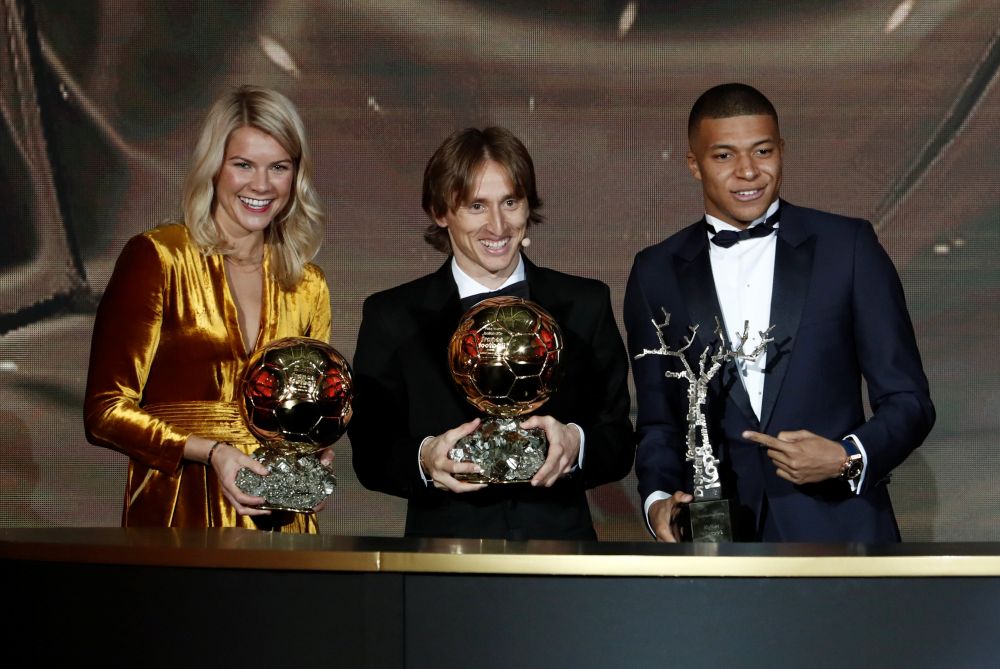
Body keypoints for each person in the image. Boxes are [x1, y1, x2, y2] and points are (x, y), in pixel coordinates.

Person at [624, 83, 935, 542]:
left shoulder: (847, 247)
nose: (748, 172)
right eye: (724, 156)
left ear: (781, 150)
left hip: (839, 530)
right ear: (694, 164)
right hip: (714, 542)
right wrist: (656, 504)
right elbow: (658, 421)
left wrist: (847, 456)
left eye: (762, 151)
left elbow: (909, 400)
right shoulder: (655, 271)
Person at [349, 126, 634, 540]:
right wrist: (425, 458)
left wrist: (576, 445)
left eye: (510, 202)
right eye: (476, 206)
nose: (497, 226)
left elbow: (618, 441)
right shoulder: (392, 315)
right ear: (440, 212)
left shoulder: (584, 304)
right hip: (444, 560)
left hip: (562, 557)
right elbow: (371, 454)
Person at [84, 85, 331, 532]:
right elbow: (104, 411)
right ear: (214, 168)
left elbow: (306, 410)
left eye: (279, 167)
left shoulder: (306, 284)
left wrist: (311, 452)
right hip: (181, 513)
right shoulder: (158, 257)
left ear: (296, 177)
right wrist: (212, 451)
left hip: (277, 516)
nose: (261, 185)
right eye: (243, 165)